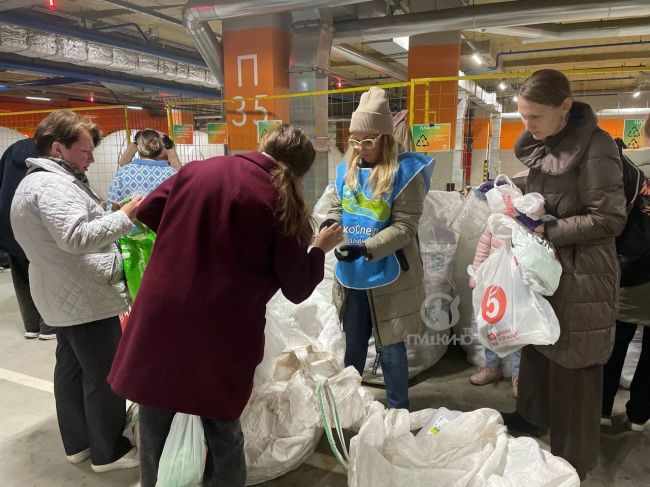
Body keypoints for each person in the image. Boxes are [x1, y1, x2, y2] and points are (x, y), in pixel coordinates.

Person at [107, 125, 342, 487]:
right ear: (301, 172)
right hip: (222, 327)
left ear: (263, 145)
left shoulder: (198, 170)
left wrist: (188, 239)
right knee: (221, 429)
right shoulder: (284, 203)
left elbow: (151, 209)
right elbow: (296, 286)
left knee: (155, 419)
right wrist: (318, 249)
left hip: (161, 315)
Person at [504, 69, 626, 481]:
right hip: (548, 268)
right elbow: (552, 187)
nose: (528, 126)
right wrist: (510, 190)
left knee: (575, 366)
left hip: (584, 277)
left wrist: (549, 228)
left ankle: (574, 462)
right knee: (537, 347)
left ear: (565, 107)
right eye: (523, 117)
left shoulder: (598, 147)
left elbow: (609, 219)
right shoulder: (547, 142)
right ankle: (532, 417)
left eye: (535, 117)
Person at [10, 110, 143, 472]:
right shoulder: (53, 185)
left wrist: (106, 214)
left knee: (71, 369)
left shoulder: (36, 182)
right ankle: (108, 451)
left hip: (62, 294)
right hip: (84, 296)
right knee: (104, 374)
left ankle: (79, 444)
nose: (92, 158)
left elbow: (68, 229)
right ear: (58, 148)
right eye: (85, 151)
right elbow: (75, 237)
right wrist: (125, 216)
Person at [321, 87, 432, 410]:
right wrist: (329, 226)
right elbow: (334, 207)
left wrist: (366, 248)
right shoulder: (346, 171)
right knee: (353, 344)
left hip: (389, 274)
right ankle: (350, 404)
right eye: (355, 140)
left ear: (385, 138)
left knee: (391, 348)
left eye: (368, 141)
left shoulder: (406, 174)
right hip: (352, 275)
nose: (360, 147)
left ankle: (397, 410)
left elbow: (405, 227)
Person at [601, 113, 650, 432]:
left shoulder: (630, 166)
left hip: (633, 267)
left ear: (644, 133)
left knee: (616, 340)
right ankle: (639, 415)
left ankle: (602, 409)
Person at [0, 138, 55, 339]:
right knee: (46, 273)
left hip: (10, 220)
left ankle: (31, 326)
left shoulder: (13, 149)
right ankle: (49, 325)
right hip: (36, 222)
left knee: (21, 275)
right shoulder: (53, 153)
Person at [468, 192, 521, 398]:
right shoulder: (494, 222)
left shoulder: (526, 224)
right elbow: (483, 248)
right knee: (489, 324)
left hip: (516, 284)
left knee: (516, 331)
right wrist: (475, 273)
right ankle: (491, 367)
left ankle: (518, 375)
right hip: (492, 283)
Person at [107, 129, 178, 207]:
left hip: (129, 217)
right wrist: (170, 149)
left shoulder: (123, 173)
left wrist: (135, 143)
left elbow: (111, 207)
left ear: (139, 147)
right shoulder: (172, 174)